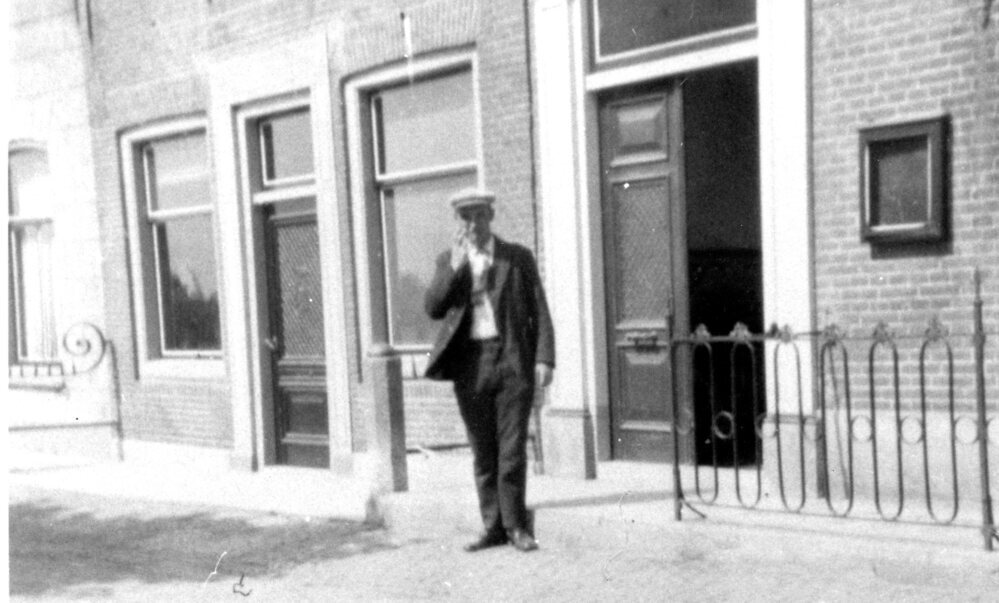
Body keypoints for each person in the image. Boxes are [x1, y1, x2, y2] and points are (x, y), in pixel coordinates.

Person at [424, 187, 555, 553]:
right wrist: (454, 266)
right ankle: (492, 527)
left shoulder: (517, 258)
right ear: (458, 222)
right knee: (483, 451)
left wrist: (544, 358)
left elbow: (539, 309)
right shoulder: (449, 261)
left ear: (491, 217)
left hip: (512, 361)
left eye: (480, 215)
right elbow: (433, 307)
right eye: (466, 217)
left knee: (511, 449)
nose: (474, 224)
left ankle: (516, 526)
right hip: (471, 367)